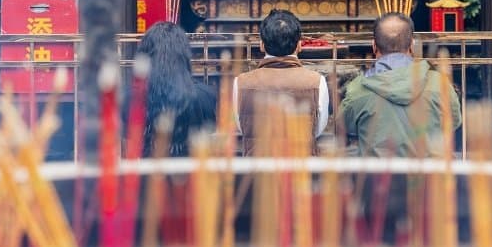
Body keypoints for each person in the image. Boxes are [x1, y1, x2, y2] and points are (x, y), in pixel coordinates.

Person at [340, 12, 462, 157]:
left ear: (373, 46)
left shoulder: (358, 89)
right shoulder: (440, 84)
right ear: (412, 44)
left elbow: (343, 126)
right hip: (430, 175)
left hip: (378, 177)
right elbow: (454, 122)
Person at [233, 9, 329, 154]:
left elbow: (242, 127)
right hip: (301, 170)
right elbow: (317, 130)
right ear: (299, 45)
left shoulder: (240, 83)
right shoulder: (317, 82)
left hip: (256, 171)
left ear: (261, 45)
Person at [138, 21, 217, 156]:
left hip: (144, 175)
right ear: (185, 55)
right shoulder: (206, 96)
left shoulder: (133, 99)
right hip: (193, 174)